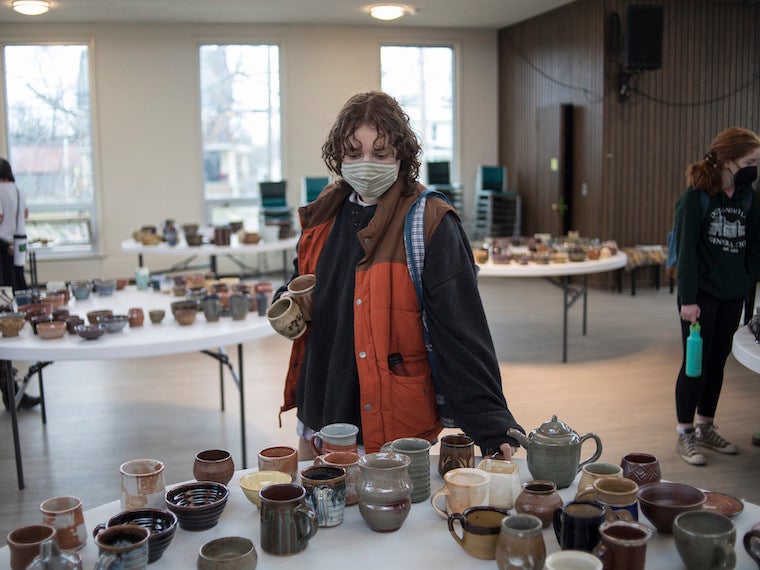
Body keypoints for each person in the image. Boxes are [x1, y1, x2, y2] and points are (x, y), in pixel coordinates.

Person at [275, 91, 523, 459]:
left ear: (401, 155)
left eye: (380, 153)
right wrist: (287, 300)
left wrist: (490, 420)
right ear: (338, 155)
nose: (365, 164)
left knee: (388, 511)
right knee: (317, 509)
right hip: (321, 402)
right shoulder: (325, 214)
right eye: (354, 152)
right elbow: (305, 279)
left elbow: (462, 328)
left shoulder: (429, 221)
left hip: (388, 420)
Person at [673, 127, 760, 465]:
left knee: (717, 363)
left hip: (732, 295)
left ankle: (706, 425)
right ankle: (685, 433)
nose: (754, 167)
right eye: (750, 161)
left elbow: (755, 244)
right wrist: (688, 299)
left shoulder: (749, 197)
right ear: (727, 159)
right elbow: (687, 252)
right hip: (700, 297)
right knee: (694, 364)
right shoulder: (696, 198)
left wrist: (746, 277)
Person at [0, 158, 39, 411]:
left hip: (2, 256)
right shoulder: (19, 192)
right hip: (14, 261)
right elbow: (24, 218)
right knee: (10, 319)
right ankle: (12, 392)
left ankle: (11, 391)